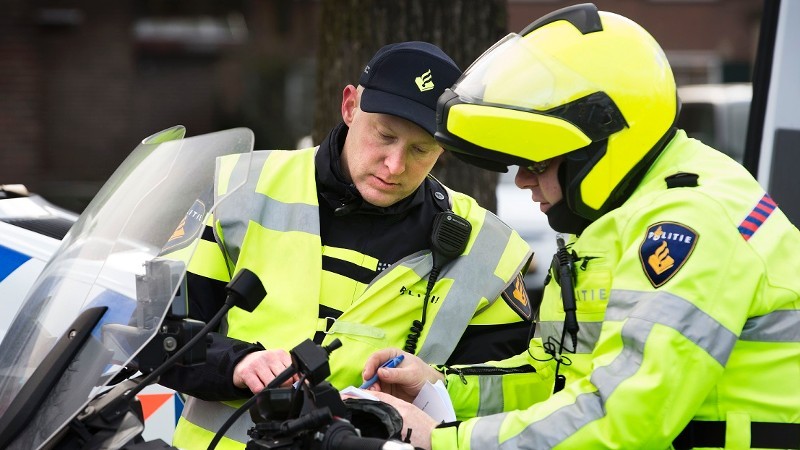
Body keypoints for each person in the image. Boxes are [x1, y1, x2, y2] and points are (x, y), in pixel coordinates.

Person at [360, 4, 800, 449]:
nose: (523, 179)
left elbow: (624, 419)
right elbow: (555, 379)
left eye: (538, 161)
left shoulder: (692, 220)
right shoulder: (622, 214)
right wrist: (438, 388)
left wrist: (441, 439)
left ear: (602, 146)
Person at [159, 41, 548, 449]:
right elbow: (160, 336)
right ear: (349, 107)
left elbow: (510, 400)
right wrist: (238, 363)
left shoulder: (488, 249)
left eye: (421, 150)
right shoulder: (241, 189)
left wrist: (437, 385)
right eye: (384, 136)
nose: (395, 166)